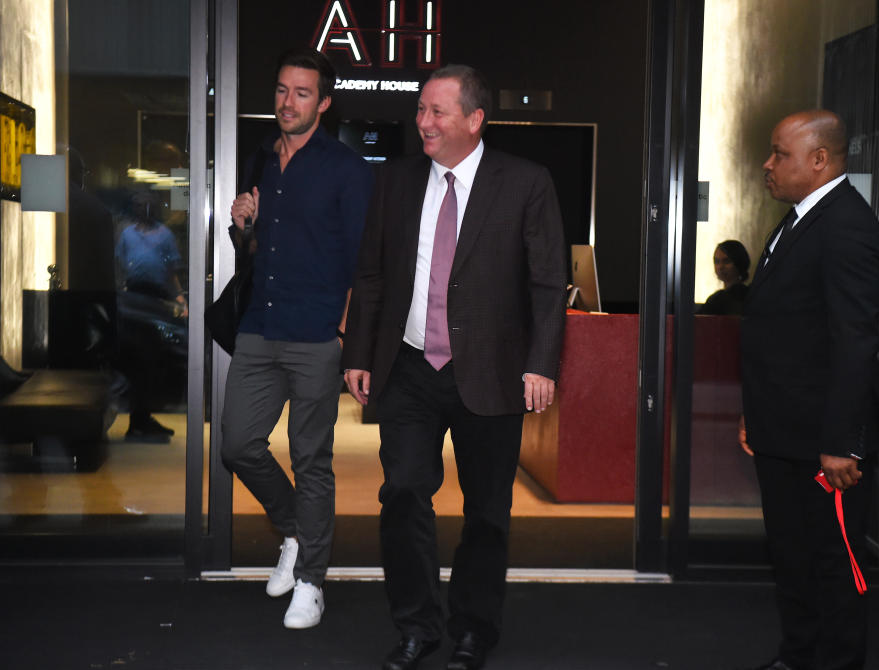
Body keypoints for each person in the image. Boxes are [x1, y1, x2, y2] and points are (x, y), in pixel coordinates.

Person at [342, 65, 566, 670]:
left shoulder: (525, 182)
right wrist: (359, 354)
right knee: (404, 494)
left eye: (437, 112)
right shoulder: (395, 179)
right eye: (420, 110)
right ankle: (417, 627)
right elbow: (371, 273)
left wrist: (541, 363)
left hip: (490, 371)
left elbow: (548, 284)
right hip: (409, 367)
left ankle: (474, 630)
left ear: (475, 119)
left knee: (487, 510)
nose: (424, 122)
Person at [220, 48, 373, 630]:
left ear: (324, 103)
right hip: (260, 326)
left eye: (302, 93)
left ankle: (311, 579)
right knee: (238, 445)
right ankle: (293, 531)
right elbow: (258, 254)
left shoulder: (347, 169)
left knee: (313, 460)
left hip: (316, 336)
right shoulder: (263, 161)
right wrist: (244, 230)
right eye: (283, 90)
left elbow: (367, 261)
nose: (289, 102)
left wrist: (345, 333)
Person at [739, 110, 879, 670]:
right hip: (783, 429)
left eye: (780, 153)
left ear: (819, 160)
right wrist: (754, 413)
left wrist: (841, 442)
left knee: (834, 564)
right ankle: (798, 654)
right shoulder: (799, 219)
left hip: (824, 440)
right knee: (792, 557)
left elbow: (855, 343)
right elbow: (784, 331)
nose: (769, 164)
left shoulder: (847, 226)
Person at [115, 188, 187, 442]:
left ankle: (142, 418)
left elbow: (170, 270)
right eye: (137, 203)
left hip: (156, 300)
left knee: (152, 361)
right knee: (138, 361)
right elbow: (121, 267)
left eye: (146, 203)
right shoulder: (127, 234)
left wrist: (179, 298)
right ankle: (139, 420)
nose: (142, 207)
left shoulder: (164, 234)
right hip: (133, 298)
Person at [698, 239, 750, 315]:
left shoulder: (746, 296)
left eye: (727, 261)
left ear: (739, 262)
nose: (720, 267)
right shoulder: (716, 298)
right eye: (716, 261)